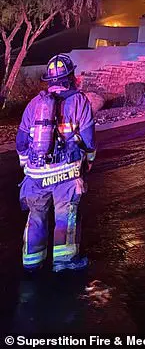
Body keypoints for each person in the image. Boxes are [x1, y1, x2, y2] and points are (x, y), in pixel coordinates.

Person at [16, 54, 96, 273]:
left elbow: (21, 141)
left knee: (36, 218)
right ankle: (64, 261)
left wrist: (28, 167)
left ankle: (31, 263)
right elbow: (89, 140)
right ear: (70, 77)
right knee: (64, 218)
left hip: (35, 176)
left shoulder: (34, 104)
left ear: (48, 80)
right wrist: (88, 163)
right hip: (66, 174)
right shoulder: (79, 101)